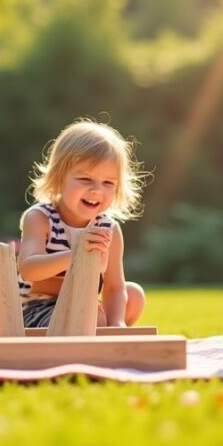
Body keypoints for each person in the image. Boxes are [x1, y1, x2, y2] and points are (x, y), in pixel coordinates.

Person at [16, 119, 149, 329]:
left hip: (83, 305)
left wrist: (117, 324)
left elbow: (114, 287)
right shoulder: (41, 218)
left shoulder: (109, 229)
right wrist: (77, 254)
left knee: (133, 295)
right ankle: (96, 330)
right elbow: (29, 269)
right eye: (86, 179)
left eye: (108, 183)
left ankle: (108, 334)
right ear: (59, 178)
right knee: (93, 318)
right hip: (38, 310)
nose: (97, 190)